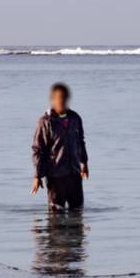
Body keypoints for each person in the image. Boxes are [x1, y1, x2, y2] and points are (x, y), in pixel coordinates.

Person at [31, 82, 89, 210]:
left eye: (64, 97)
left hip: (74, 174)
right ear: (53, 99)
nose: (62, 100)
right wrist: (37, 175)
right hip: (55, 176)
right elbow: (38, 150)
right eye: (58, 97)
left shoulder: (75, 118)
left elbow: (80, 141)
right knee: (56, 218)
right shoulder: (45, 122)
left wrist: (84, 163)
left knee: (77, 213)